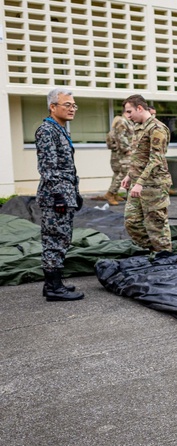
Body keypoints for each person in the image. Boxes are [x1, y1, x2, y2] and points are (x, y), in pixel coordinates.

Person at [35, 88, 84, 301]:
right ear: (52, 107)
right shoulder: (47, 130)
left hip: (66, 192)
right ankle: (53, 288)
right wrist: (59, 195)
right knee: (54, 239)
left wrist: (75, 191)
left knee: (63, 238)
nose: (72, 109)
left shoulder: (61, 129)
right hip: (56, 196)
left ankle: (54, 284)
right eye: (67, 105)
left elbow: (68, 166)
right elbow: (48, 167)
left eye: (74, 105)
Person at [121, 94, 172, 252]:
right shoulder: (138, 127)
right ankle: (152, 252)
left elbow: (156, 159)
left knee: (156, 226)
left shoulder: (157, 128)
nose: (128, 116)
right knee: (132, 222)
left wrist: (139, 183)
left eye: (130, 112)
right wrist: (130, 175)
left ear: (140, 108)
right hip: (138, 183)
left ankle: (165, 258)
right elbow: (139, 156)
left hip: (154, 185)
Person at [94, 110, 132, 205]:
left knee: (118, 174)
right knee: (123, 173)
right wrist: (127, 149)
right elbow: (121, 138)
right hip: (123, 154)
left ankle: (114, 193)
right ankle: (111, 193)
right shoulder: (123, 122)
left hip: (120, 154)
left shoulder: (126, 123)